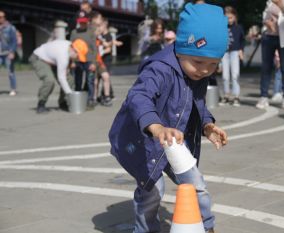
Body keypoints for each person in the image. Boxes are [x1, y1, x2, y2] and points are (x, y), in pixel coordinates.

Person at [109, 3, 228, 233]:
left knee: (196, 185)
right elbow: (139, 96)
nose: (204, 70)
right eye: (198, 62)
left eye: (213, 64)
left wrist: (207, 125)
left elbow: (197, 103)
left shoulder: (196, 72)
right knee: (152, 191)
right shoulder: (160, 69)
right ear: (181, 47)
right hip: (144, 140)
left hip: (174, 139)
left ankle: (206, 227)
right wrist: (156, 127)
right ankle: (145, 230)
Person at [256, 0, 284, 110]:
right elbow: (265, 15)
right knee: (266, 68)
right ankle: (263, 97)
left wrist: (281, 5)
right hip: (268, 37)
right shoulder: (270, 1)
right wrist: (266, 22)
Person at [29, 39, 85, 114]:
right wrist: (70, 94)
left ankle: (63, 102)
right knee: (49, 81)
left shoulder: (69, 47)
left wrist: (70, 63)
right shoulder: (63, 56)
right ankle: (41, 104)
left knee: (70, 80)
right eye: (78, 55)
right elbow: (61, 78)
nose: (77, 58)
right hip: (39, 58)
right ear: (73, 49)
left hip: (53, 61)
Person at [70, 10, 97, 109]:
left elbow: (95, 49)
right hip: (77, 61)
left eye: (84, 21)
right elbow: (71, 48)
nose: (82, 23)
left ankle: (90, 100)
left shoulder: (91, 33)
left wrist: (94, 63)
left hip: (89, 61)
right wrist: (72, 62)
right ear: (78, 21)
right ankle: (78, 100)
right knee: (78, 81)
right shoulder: (74, 33)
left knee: (90, 81)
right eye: (81, 21)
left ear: (87, 21)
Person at [220, 6, 245, 107]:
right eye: (227, 18)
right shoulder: (221, 28)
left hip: (235, 52)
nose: (229, 20)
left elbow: (242, 40)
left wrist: (241, 50)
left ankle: (236, 96)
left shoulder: (238, 28)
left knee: (235, 75)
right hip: (224, 53)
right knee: (225, 76)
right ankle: (226, 95)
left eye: (231, 18)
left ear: (235, 17)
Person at [0, 10, 17, 96]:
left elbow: (14, 41)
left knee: (10, 71)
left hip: (7, 52)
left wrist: (12, 52)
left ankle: (13, 88)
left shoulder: (10, 27)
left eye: (1, 17)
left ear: (4, 17)